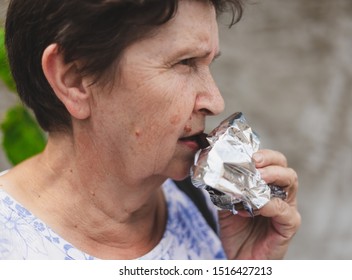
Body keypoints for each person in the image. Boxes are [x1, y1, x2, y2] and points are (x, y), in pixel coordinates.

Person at [0, 0, 300, 260]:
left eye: (207, 64)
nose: (215, 101)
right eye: (185, 63)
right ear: (75, 80)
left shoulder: (210, 208)